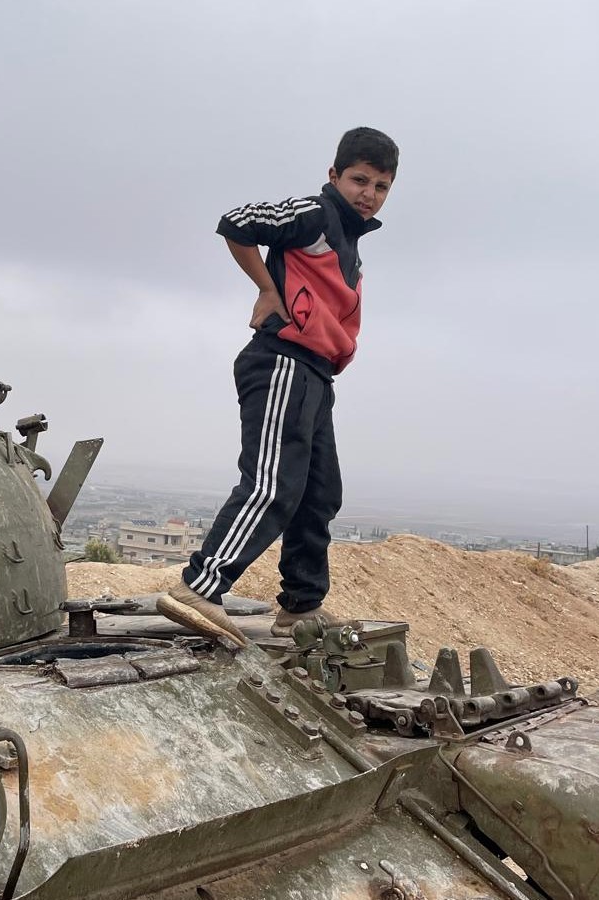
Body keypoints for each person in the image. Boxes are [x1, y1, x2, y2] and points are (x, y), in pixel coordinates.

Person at [156, 127, 398, 648]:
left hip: (315, 372)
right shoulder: (314, 213)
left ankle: (302, 607)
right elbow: (238, 223)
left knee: (318, 493)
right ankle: (198, 589)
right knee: (274, 484)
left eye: (381, 186)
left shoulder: (350, 239)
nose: (368, 194)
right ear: (334, 175)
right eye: (359, 179)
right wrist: (268, 288)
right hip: (283, 360)